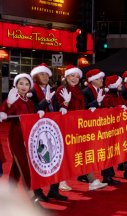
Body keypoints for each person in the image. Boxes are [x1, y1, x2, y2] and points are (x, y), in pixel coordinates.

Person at [55, 65, 107, 191]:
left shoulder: (78, 90)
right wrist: (64, 104)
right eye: (72, 76)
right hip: (65, 128)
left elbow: (82, 108)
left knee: (83, 154)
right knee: (66, 155)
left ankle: (92, 181)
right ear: (66, 76)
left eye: (77, 76)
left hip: (78, 127)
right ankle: (61, 181)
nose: (75, 79)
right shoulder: (61, 90)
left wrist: (94, 105)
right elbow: (58, 109)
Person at [0, 73, 45, 205]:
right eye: (21, 83)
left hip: (29, 137)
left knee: (15, 168)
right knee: (24, 165)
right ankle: (32, 198)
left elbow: (32, 117)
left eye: (27, 84)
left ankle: (7, 195)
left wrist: (38, 114)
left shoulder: (30, 102)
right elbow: (4, 113)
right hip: (16, 137)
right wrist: (7, 105)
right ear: (16, 85)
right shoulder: (12, 99)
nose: (24, 86)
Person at [30, 63, 68, 201]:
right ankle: (38, 192)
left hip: (52, 129)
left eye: (46, 74)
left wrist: (63, 107)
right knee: (39, 161)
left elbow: (55, 106)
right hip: (38, 132)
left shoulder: (50, 89)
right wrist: (44, 102)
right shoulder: (32, 91)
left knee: (56, 159)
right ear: (35, 76)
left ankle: (54, 190)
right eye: (42, 74)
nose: (45, 77)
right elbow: (33, 109)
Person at [82, 68, 121, 185]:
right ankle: (88, 175)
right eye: (99, 78)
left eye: (101, 78)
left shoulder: (101, 90)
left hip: (101, 126)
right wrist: (96, 103)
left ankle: (107, 176)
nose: (101, 80)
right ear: (92, 80)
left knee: (105, 151)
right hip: (89, 127)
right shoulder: (86, 91)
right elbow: (84, 107)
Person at [102, 74, 127, 179]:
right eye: (119, 84)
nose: (121, 85)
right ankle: (108, 176)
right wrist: (118, 107)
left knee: (124, 148)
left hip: (120, 127)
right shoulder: (108, 97)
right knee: (110, 151)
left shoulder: (118, 95)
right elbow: (108, 110)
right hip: (111, 129)